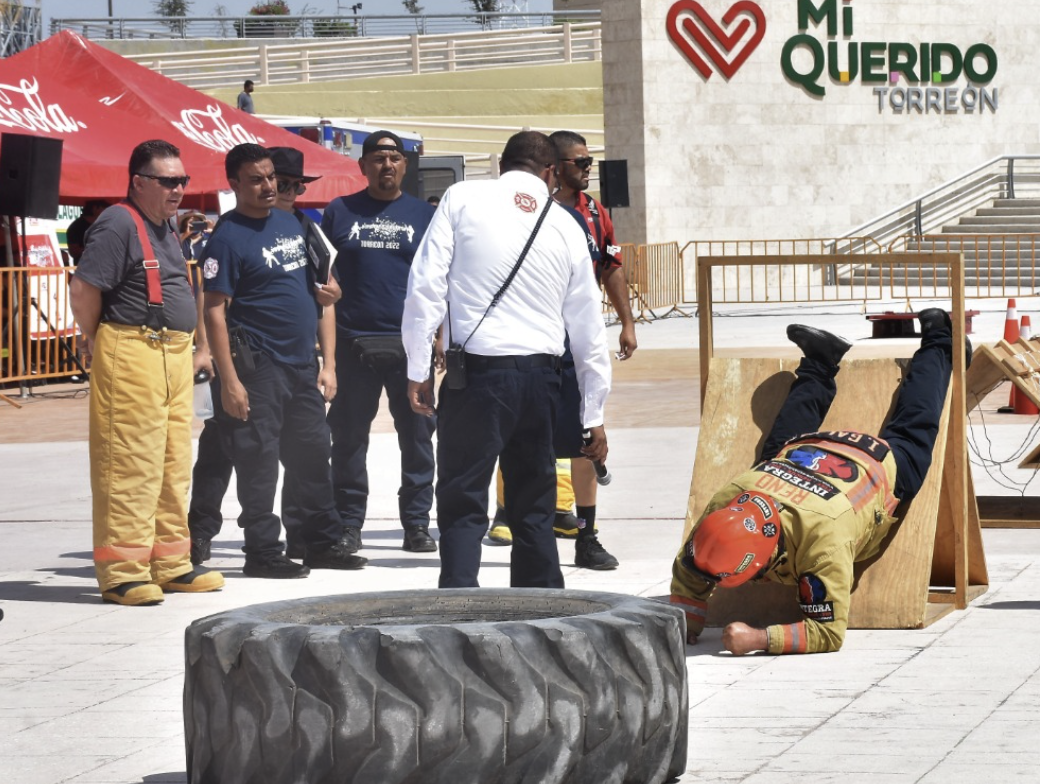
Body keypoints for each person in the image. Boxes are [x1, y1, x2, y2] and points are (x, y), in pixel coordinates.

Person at [671, 311, 962, 655]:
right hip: (809, 453)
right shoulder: (731, 498)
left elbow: (828, 634)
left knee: (915, 425)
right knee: (775, 452)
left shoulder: (824, 541)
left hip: (874, 464)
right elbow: (694, 565)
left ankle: (941, 343)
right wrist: (687, 615)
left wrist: (758, 639)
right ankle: (820, 364)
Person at [401, 131, 612, 589]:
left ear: (502, 164)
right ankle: (540, 609)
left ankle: (459, 600)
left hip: (476, 377)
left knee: (462, 495)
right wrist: (593, 411)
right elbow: (588, 329)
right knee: (534, 500)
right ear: (552, 172)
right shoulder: (565, 224)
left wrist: (417, 369)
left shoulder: (460, 199)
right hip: (543, 380)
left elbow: (426, 287)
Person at [67, 140, 225, 606]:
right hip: (134, 348)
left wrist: (197, 346)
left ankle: (171, 562)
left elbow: (183, 286)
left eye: (182, 180)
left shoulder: (165, 226)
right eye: (168, 181)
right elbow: (84, 289)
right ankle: (122, 571)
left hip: (171, 355)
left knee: (172, 462)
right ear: (138, 182)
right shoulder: (118, 222)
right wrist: (96, 337)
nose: (178, 189)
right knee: (130, 462)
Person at [200, 143, 366, 578]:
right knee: (258, 461)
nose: (269, 186)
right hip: (259, 368)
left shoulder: (294, 222)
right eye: (256, 179)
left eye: (272, 177)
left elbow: (325, 291)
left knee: (312, 453)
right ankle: (262, 550)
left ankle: (320, 542)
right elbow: (214, 309)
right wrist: (230, 382)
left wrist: (328, 363)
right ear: (234, 184)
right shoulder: (227, 237)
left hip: (301, 365)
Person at [322, 131, 439, 554]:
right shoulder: (339, 212)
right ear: (362, 165)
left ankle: (416, 524)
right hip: (354, 343)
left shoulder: (424, 216)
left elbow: (438, 281)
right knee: (349, 440)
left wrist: (439, 337)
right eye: (377, 157)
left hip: (410, 346)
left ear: (404, 166)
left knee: (418, 438)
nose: (386, 164)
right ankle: (349, 524)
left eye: (393, 157)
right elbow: (325, 278)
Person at [547, 129, 637, 569]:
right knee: (530, 441)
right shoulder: (535, 213)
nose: (587, 170)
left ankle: (587, 537)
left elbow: (612, 268)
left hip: (579, 347)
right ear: (555, 167)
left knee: (588, 439)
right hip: (534, 347)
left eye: (589, 162)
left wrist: (626, 321)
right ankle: (521, 520)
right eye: (579, 163)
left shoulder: (596, 213)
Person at [64, 200, 108, 264]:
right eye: (105, 209)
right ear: (95, 208)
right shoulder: (76, 227)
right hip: (85, 269)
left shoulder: (103, 225)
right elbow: (74, 252)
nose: (107, 213)